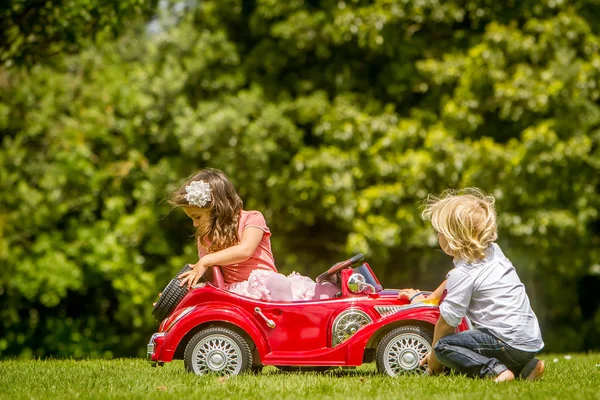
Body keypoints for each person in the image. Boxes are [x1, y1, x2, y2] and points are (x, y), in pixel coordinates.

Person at [414, 188, 545, 382]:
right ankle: (526, 367)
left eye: (439, 232)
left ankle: (495, 371)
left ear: (452, 239)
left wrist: (434, 356)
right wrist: (431, 298)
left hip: (505, 341)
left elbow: (447, 322)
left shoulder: (464, 273)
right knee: (481, 342)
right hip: (529, 342)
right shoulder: (493, 252)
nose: (437, 236)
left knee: (444, 346)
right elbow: (452, 279)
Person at [167, 168, 327, 301]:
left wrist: (205, 260)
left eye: (197, 217)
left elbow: (245, 250)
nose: (195, 224)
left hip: (266, 283)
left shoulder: (253, 219)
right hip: (236, 293)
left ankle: (286, 329)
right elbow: (211, 276)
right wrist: (176, 295)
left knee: (282, 283)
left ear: (216, 208)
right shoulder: (205, 237)